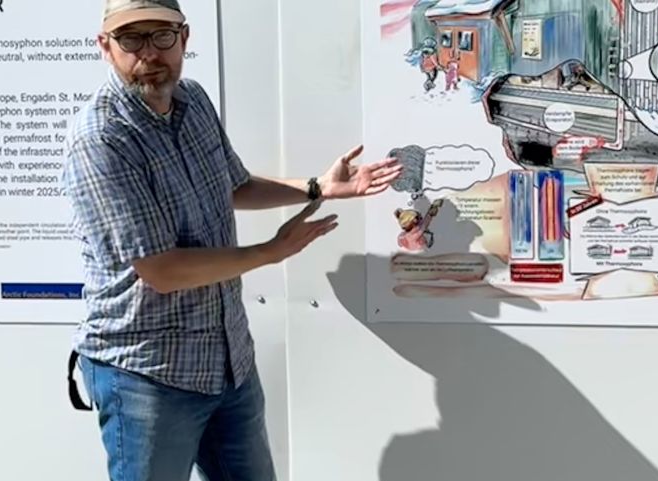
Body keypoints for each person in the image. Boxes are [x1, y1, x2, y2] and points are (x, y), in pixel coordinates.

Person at [61, 1, 402, 480]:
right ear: (105, 46)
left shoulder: (193, 101)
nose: (149, 53)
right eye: (131, 39)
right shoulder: (102, 138)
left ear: (184, 38)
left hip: (226, 362)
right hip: (147, 375)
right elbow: (161, 270)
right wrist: (270, 253)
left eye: (161, 36)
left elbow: (234, 186)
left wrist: (318, 187)